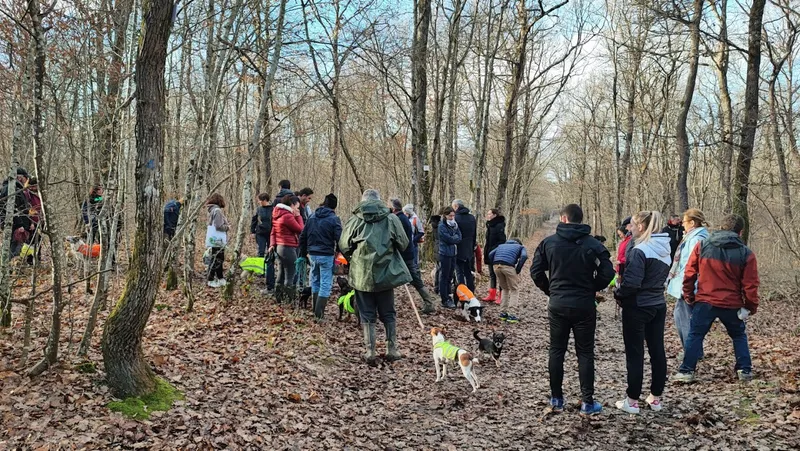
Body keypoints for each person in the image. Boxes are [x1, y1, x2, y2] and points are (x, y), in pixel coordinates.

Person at [530, 204, 615, 416]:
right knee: (585, 352)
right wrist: (591, 288)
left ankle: (556, 398)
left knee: (557, 350)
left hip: (558, 303)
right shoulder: (593, 245)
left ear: (563, 219)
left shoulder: (548, 243)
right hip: (584, 304)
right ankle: (587, 402)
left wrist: (551, 290)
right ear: (580, 219)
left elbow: (536, 271)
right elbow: (608, 272)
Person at [673, 214, 760, 383]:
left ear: (720, 227)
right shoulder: (746, 253)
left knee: (695, 334)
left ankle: (686, 371)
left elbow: (689, 274)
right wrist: (750, 306)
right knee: (738, 335)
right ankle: (744, 369)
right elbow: (751, 285)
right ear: (740, 232)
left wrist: (689, 296)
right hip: (732, 303)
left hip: (705, 300)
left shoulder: (702, 246)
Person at [339, 189, 411, 364]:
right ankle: (391, 349)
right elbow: (403, 243)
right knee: (388, 312)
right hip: (386, 273)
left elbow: (343, 244)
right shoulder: (392, 218)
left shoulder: (355, 220)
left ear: (363, 201)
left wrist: (354, 258)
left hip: (362, 274)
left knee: (367, 313)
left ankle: (370, 351)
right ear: (379, 201)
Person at [612, 211, 671, 414]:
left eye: (633, 225)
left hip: (638, 306)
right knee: (657, 351)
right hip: (658, 304)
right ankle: (655, 398)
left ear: (642, 227)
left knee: (635, 354)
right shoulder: (665, 248)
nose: (631, 228)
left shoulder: (640, 250)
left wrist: (618, 292)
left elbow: (632, 283)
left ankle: (632, 400)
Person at [666, 208, 709, 359]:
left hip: (688, 286)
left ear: (692, 222)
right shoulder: (692, 237)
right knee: (682, 317)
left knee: (684, 320)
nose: (682, 224)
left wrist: (688, 287)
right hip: (684, 284)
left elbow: (692, 266)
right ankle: (694, 351)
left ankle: (691, 353)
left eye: (684, 222)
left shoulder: (697, 239)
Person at [300, 193, 342, 320]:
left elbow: (303, 236)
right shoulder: (334, 219)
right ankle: (318, 315)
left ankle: (316, 311)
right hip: (326, 255)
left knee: (315, 281)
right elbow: (340, 239)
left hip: (312, 255)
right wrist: (339, 252)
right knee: (325, 284)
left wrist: (303, 253)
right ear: (334, 207)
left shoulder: (312, 217)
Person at [391, 198, 436, 314]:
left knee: (390, 279)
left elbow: (398, 238)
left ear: (394, 208)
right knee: (415, 279)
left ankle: (429, 303)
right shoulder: (403, 218)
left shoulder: (398, 219)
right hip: (406, 253)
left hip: (403, 255)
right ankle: (429, 302)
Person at [270, 194, 305, 303]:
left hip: (280, 247)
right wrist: (298, 216)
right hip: (288, 247)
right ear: (292, 205)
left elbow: (273, 232)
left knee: (281, 273)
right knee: (290, 274)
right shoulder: (287, 216)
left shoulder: (278, 214)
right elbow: (301, 229)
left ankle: (279, 298)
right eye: (297, 207)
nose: (297, 209)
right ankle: (289, 300)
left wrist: (272, 245)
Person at [489, 238, 526, 323]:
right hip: (508, 266)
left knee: (505, 289)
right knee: (514, 289)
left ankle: (503, 313)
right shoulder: (520, 247)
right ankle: (512, 315)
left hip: (497, 266)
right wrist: (518, 269)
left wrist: (494, 263)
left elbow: (491, 254)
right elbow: (524, 256)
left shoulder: (501, 245)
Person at [1, 168, 33, 257]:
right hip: (15, 226)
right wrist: (19, 225)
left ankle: (11, 268)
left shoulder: (11, 188)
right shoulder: (12, 189)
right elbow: (13, 208)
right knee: (14, 250)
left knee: (13, 248)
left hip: (14, 224)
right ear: (19, 178)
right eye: (25, 178)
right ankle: (11, 269)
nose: (26, 181)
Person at [437, 207, 461, 309]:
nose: (452, 217)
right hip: (445, 253)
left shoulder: (455, 225)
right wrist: (454, 238)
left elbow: (459, 236)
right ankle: (444, 298)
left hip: (453, 253)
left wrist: (454, 239)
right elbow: (448, 239)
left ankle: (449, 295)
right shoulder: (442, 226)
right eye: (450, 216)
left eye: (453, 215)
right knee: (444, 276)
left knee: (450, 276)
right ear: (445, 215)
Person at [451, 199, 477, 292]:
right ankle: (471, 291)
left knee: (459, 273)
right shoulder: (472, 218)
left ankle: (462, 294)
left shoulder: (455, 218)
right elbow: (474, 234)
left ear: (456, 206)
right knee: (468, 271)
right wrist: (473, 246)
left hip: (458, 248)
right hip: (469, 249)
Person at [205, 193, 229, 287]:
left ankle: (220, 278)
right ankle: (210, 280)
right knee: (217, 259)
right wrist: (227, 227)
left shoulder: (211, 210)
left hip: (213, 238)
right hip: (217, 239)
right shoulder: (217, 210)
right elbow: (218, 226)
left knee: (217, 258)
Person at [483, 208, 507, 303]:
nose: (488, 215)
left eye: (489, 214)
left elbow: (502, 241)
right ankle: (492, 294)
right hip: (489, 252)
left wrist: (494, 251)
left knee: (499, 275)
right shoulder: (489, 225)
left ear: (494, 215)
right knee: (492, 274)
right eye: (488, 214)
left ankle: (501, 296)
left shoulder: (499, 226)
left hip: (497, 254)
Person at [25, 177, 42, 264]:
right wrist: (31, 222)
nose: (33, 188)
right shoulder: (28, 194)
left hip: (39, 220)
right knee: (31, 242)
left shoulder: (39, 194)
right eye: (32, 186)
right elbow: (29, 209)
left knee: (38, 241)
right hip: (32, 222)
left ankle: (37, 259)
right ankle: (30, 261)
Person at [252, 193, 273, 257]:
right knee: (261, 251)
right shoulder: (258, 209)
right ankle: (260, 266)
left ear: (265, 200)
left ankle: (270, 266)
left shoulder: (273, 209)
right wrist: (252, 231)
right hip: (260, 232)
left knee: (271, 252)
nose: (259, 202)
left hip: (270, 233)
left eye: (260, 200)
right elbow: (254, 220)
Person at [429, 214, 442, 294]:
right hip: (441, 250)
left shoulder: (434, 227)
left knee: (437, 269)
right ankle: (440, 288)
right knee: (441, 270)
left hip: (436, 249)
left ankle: (436, 287)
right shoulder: (440, 227)